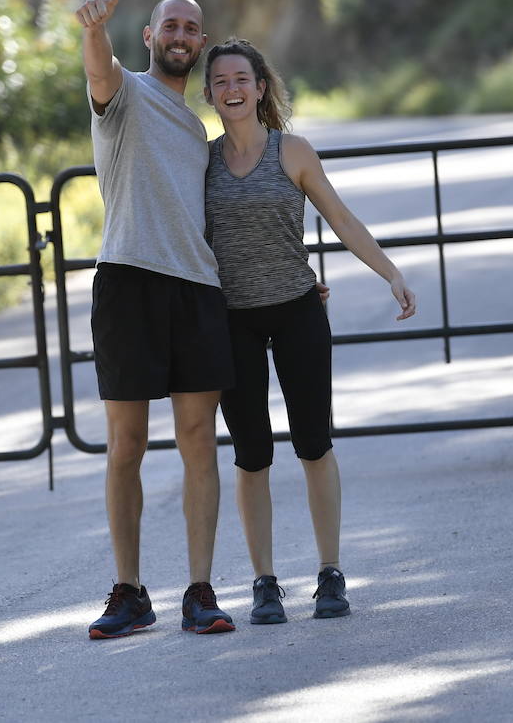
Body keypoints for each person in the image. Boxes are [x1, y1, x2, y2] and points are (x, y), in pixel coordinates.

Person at [202, 37, 416, 624]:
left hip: (297, 309)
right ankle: (264, 582)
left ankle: (330, 573)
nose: (232, 89)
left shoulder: (291, 151)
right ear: (209, 94)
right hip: (233, 320)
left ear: (261, 87)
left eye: (241, 79)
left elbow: (341, 218)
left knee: (313, 442)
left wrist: (390, 273)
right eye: (220, 82)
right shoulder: (203, 162)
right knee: (251, 456)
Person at [75, 0, 237, 638]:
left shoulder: (201, 132)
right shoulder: (124, 96)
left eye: (190, 28)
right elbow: (98, 70)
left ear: (199, 43)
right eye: (169, 24)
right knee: (126, 446)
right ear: (149, 37)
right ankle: (129, 590)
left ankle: (200, 591)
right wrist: (93, 31)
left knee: (199, 443)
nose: (179, 34)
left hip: (195, 291)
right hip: (127, 285)